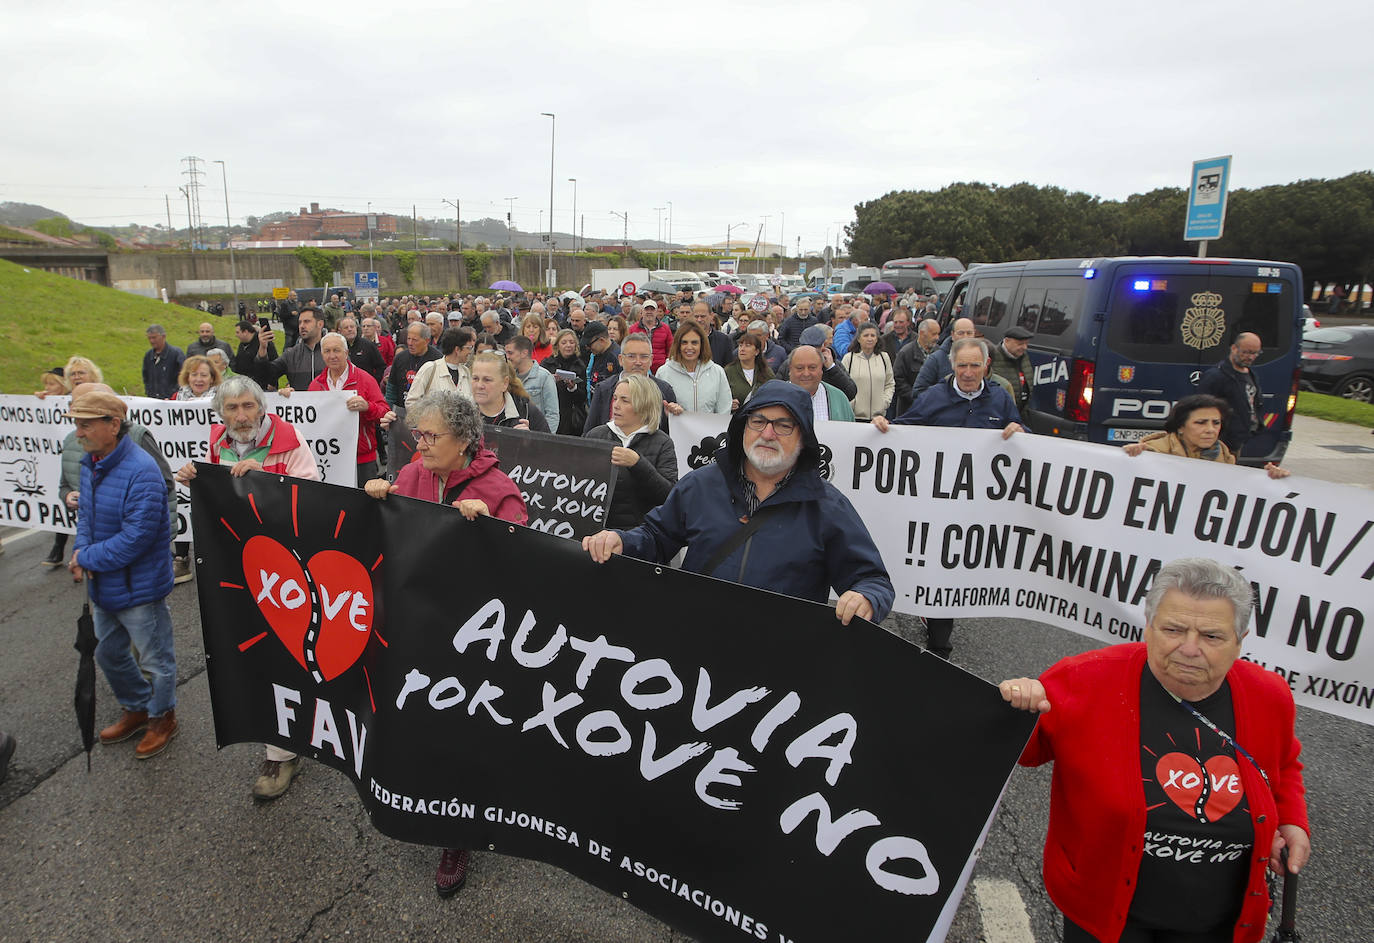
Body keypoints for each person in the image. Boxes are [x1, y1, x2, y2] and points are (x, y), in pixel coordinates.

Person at [999, 557, 1310, 943]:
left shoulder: (1269, 696)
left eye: (1211, 636)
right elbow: (1023, 751)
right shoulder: (1084, 678)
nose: (1189, 648)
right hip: (1107, 914)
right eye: (1173, 629)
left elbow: (1284, 766)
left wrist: (1292, 823)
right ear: (1148, 626)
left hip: (1220, 922)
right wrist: (1015, 707)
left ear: (1240, 641)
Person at [364, 390, 527, 898]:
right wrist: (375, 497)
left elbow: (526, 565)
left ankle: (457, 834)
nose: (421, 443)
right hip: (417, 624)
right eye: (418, 433)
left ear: (464, 441)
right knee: (420, 719)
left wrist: (493, 530)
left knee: (462, 730)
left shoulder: (498, 489)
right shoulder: (411, 475)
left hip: (470, 639)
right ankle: (420, 797)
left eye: (432, 435)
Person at [583, 380, 893, 624]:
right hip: (698, 641)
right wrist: (621, 540)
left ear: (803, 438)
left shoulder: (827, 506)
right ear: (742, 427)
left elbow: (872, 579)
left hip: (782, 658)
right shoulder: (701, 484)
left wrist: (865, 597)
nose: (768, 433)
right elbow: (657, 537)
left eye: (784, 425)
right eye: (758, 421)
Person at [175, 375, 319, 798]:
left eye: (247, 407)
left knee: (286, 655)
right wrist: (194, 478)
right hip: (239, 568)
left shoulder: (290, 439)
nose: (240, 416)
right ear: (220, 413)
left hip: (285, 570)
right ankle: (285, 739)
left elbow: (312, 500)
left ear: (262, 407)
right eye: (231, 409)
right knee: (254, 655)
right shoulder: (217, 440)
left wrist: (265, 480)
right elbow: (220, 499)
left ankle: (282, 753)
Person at [872, 338, 1022, 658]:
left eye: (975, 365)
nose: (968, 372)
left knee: (958, 566)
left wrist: (1020, 433)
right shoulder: (933, 397)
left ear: (986, 366)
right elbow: (903, 431)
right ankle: (940, 644)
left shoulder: (1000, 400)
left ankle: (940, 622)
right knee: (940, 565)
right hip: (936, 505)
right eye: (962, 365)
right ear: (952, 365)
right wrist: (882, 427)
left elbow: (1023, 437)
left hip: (978, 507)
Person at [67, 391, 179, 760]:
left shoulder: (142, 471)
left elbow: (137, 538)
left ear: (113, 425)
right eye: (77, 423)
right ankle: (137, 706)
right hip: (105, 585)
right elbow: (86, 518)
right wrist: (79, 551)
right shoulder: (90, 463)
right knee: (109, 653)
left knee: (155, 660)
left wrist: (88, 556)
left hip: (139, 588)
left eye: (86, 424)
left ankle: (162, 717)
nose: (79, 432)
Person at [583, 375, 679, 528]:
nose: (616, 405)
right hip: (598, 534)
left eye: (625, 400)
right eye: (615, 398)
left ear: (644, 405)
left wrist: (638, 464)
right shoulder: (596, 435)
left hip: (641, 537)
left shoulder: (662, 442)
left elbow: (669, 495)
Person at [1122, 394, 1291, 479]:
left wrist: (1269, 478)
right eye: (1201, 423)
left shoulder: (1225, 457)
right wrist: (1128, 457)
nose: (1210, 429)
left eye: (1216, 423)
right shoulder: (1153, 452)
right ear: (1181, 427)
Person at [309, 333, 393, 486]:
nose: (332, 356)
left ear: (346, 353)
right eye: (327, 351)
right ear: (322, 354)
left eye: (337, 350)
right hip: (329, 458)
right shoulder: (316, 385)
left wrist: (367, 407)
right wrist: (289, 397)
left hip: (361, 458)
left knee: (365, 505)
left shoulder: (365, 379)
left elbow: (385, 413)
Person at [1196, 333, 1265, 456]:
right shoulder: (1216, 376)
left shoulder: (1251, 374)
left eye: (1255, 353)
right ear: (1234, 348)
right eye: (1246, 352)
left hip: (1238, 441)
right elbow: (1201, 409)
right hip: (1218, 443)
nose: (1251, 357)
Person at [655, 321, 732, 414]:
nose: (689, 347)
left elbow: (724, 409)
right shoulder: (664, 373)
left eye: (694, 343)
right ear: (678, 345)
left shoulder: (717, 372)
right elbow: (657, 411)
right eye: (684, 342)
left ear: (702, 345)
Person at [470, 352, 550, 432]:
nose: (479, 385)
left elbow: (549, 443)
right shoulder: (461, 413)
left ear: (505, 383)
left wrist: (529, 440)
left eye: (487, 380)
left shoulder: (526, 411)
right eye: (475, 378)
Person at [257, 308, 325, 391]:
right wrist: (262, 349)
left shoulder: (333, 352)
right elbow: (265, 376)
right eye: (300, 322)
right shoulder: (291, 354)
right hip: (300, 403)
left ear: (320, 324)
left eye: (307, 321)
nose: (302, 326)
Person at [504, 335, 560, 432]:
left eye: (510, 353)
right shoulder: (509, 378)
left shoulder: (544, 377)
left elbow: (552, 414)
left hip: (538, 436)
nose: (507, 357)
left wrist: (546, 440)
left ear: (524, 353)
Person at [788, 343, 855, 422]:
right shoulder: (777, 397)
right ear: (790, 369)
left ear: (821, 369)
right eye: (800, 368)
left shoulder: (839, 399)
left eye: (812, 367)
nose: (806, 373)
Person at [913, 317, 977, 398]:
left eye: (969, 333)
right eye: (961, 333)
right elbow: (918, 391)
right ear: (952, 335)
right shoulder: (936, 359)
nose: (965, 337)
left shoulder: (981, 358)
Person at [841, 323, 894, 421]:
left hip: (879, 417)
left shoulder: (884, 357)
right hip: (855, 416)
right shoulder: (849, 358)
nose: (870, 339)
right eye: (866, 335)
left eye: (873, 335)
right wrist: (851, 404)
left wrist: (885, 402)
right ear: (858, 338)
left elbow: (889, 383)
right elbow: (842, 385)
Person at [542, 328, 590, 435]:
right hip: (551, 412)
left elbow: (583, 397)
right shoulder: (547, 363)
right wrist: (550, 380)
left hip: (571, 417)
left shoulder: (580, 366)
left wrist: (572, 388)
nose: (568, 345)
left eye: (571, 342)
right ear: (558, 345)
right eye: (564, 342)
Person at [386, 322, 443, 409]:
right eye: (408, 339)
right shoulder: (400, 358)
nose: (410, 343)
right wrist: (388, 409)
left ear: (427, 341)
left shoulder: (437, 360)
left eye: (415, 340)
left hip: (426, 413)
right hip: (401, 411)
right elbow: (391, 388)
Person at [892, 318, 941, 415]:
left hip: (935, 409)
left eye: (938, 334)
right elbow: (898, 380)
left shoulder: (940, 353)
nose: (937, 338)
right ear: (922, 333)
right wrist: (916, 397)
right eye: (934, 334)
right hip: (910, 409)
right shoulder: (905, 353)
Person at [990, 325, 1035, 421]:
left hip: (1020, 415)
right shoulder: (994, 357)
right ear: (1006, 341)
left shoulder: (1024, 357)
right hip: (1000, 416)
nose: (1024, 347)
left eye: (1026, 344)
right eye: (1020, 344)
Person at [723, 332, 774, 411]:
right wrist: (729, 404)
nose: (742, 349)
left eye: (748, 346)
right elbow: (720, 397)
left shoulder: (766, 372)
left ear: (756, 351)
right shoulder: (728, 371)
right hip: (736, 418)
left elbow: (773, 395)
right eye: (740, 345)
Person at [338, 316, 386, 386]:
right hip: (344, 387)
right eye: (346, 327)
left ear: (356, 328)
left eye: (352, 327)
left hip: (365, 387)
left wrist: (373, 382)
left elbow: (381, 366)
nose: (349, 329)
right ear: (340, 330)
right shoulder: (338, 347)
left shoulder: (368, 345)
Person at [233, 320, 279, 390]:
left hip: (263, 385)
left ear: (245, 332)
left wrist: (272, 383)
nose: (236, 335)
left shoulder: (264, 342)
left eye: (237, 332)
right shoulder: (242, 345)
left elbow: (275, 362)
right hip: (245, 385)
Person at [142, 324, 185, 400]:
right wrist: (149, 391)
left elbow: (184, 376)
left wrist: (174, 394)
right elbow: (146, 377)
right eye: (149, 338)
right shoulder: (148, 356)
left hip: (172, 400)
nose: (152, 341)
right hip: (153, 400)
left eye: (154, 338)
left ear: (163, 336)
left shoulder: (176, 354)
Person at [629, 301, 673, 372]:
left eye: (652, 309)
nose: (649, 312)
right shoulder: (632, 329)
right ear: (642, 312)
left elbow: (671, 350)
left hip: (660, 369)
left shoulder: (666, 328)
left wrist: (666, 366)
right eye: (646, 309)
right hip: (639, 368)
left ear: (656, 312)